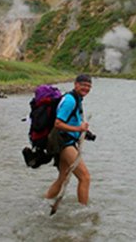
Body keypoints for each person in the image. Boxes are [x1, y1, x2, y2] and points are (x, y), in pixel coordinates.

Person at [45, 74, 92, 206]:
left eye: (89, 86)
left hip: (67, 141)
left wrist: (84, 131)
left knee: (63, 178)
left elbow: (71, 121)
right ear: (76, 84)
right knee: (85, 177)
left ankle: (46, 200)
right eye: (83, 85)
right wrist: (78, 129)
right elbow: (58, 123)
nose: (86, 88)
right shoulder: (70, 100)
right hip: (64, 143)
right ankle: (83, 210)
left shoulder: (76, 99)